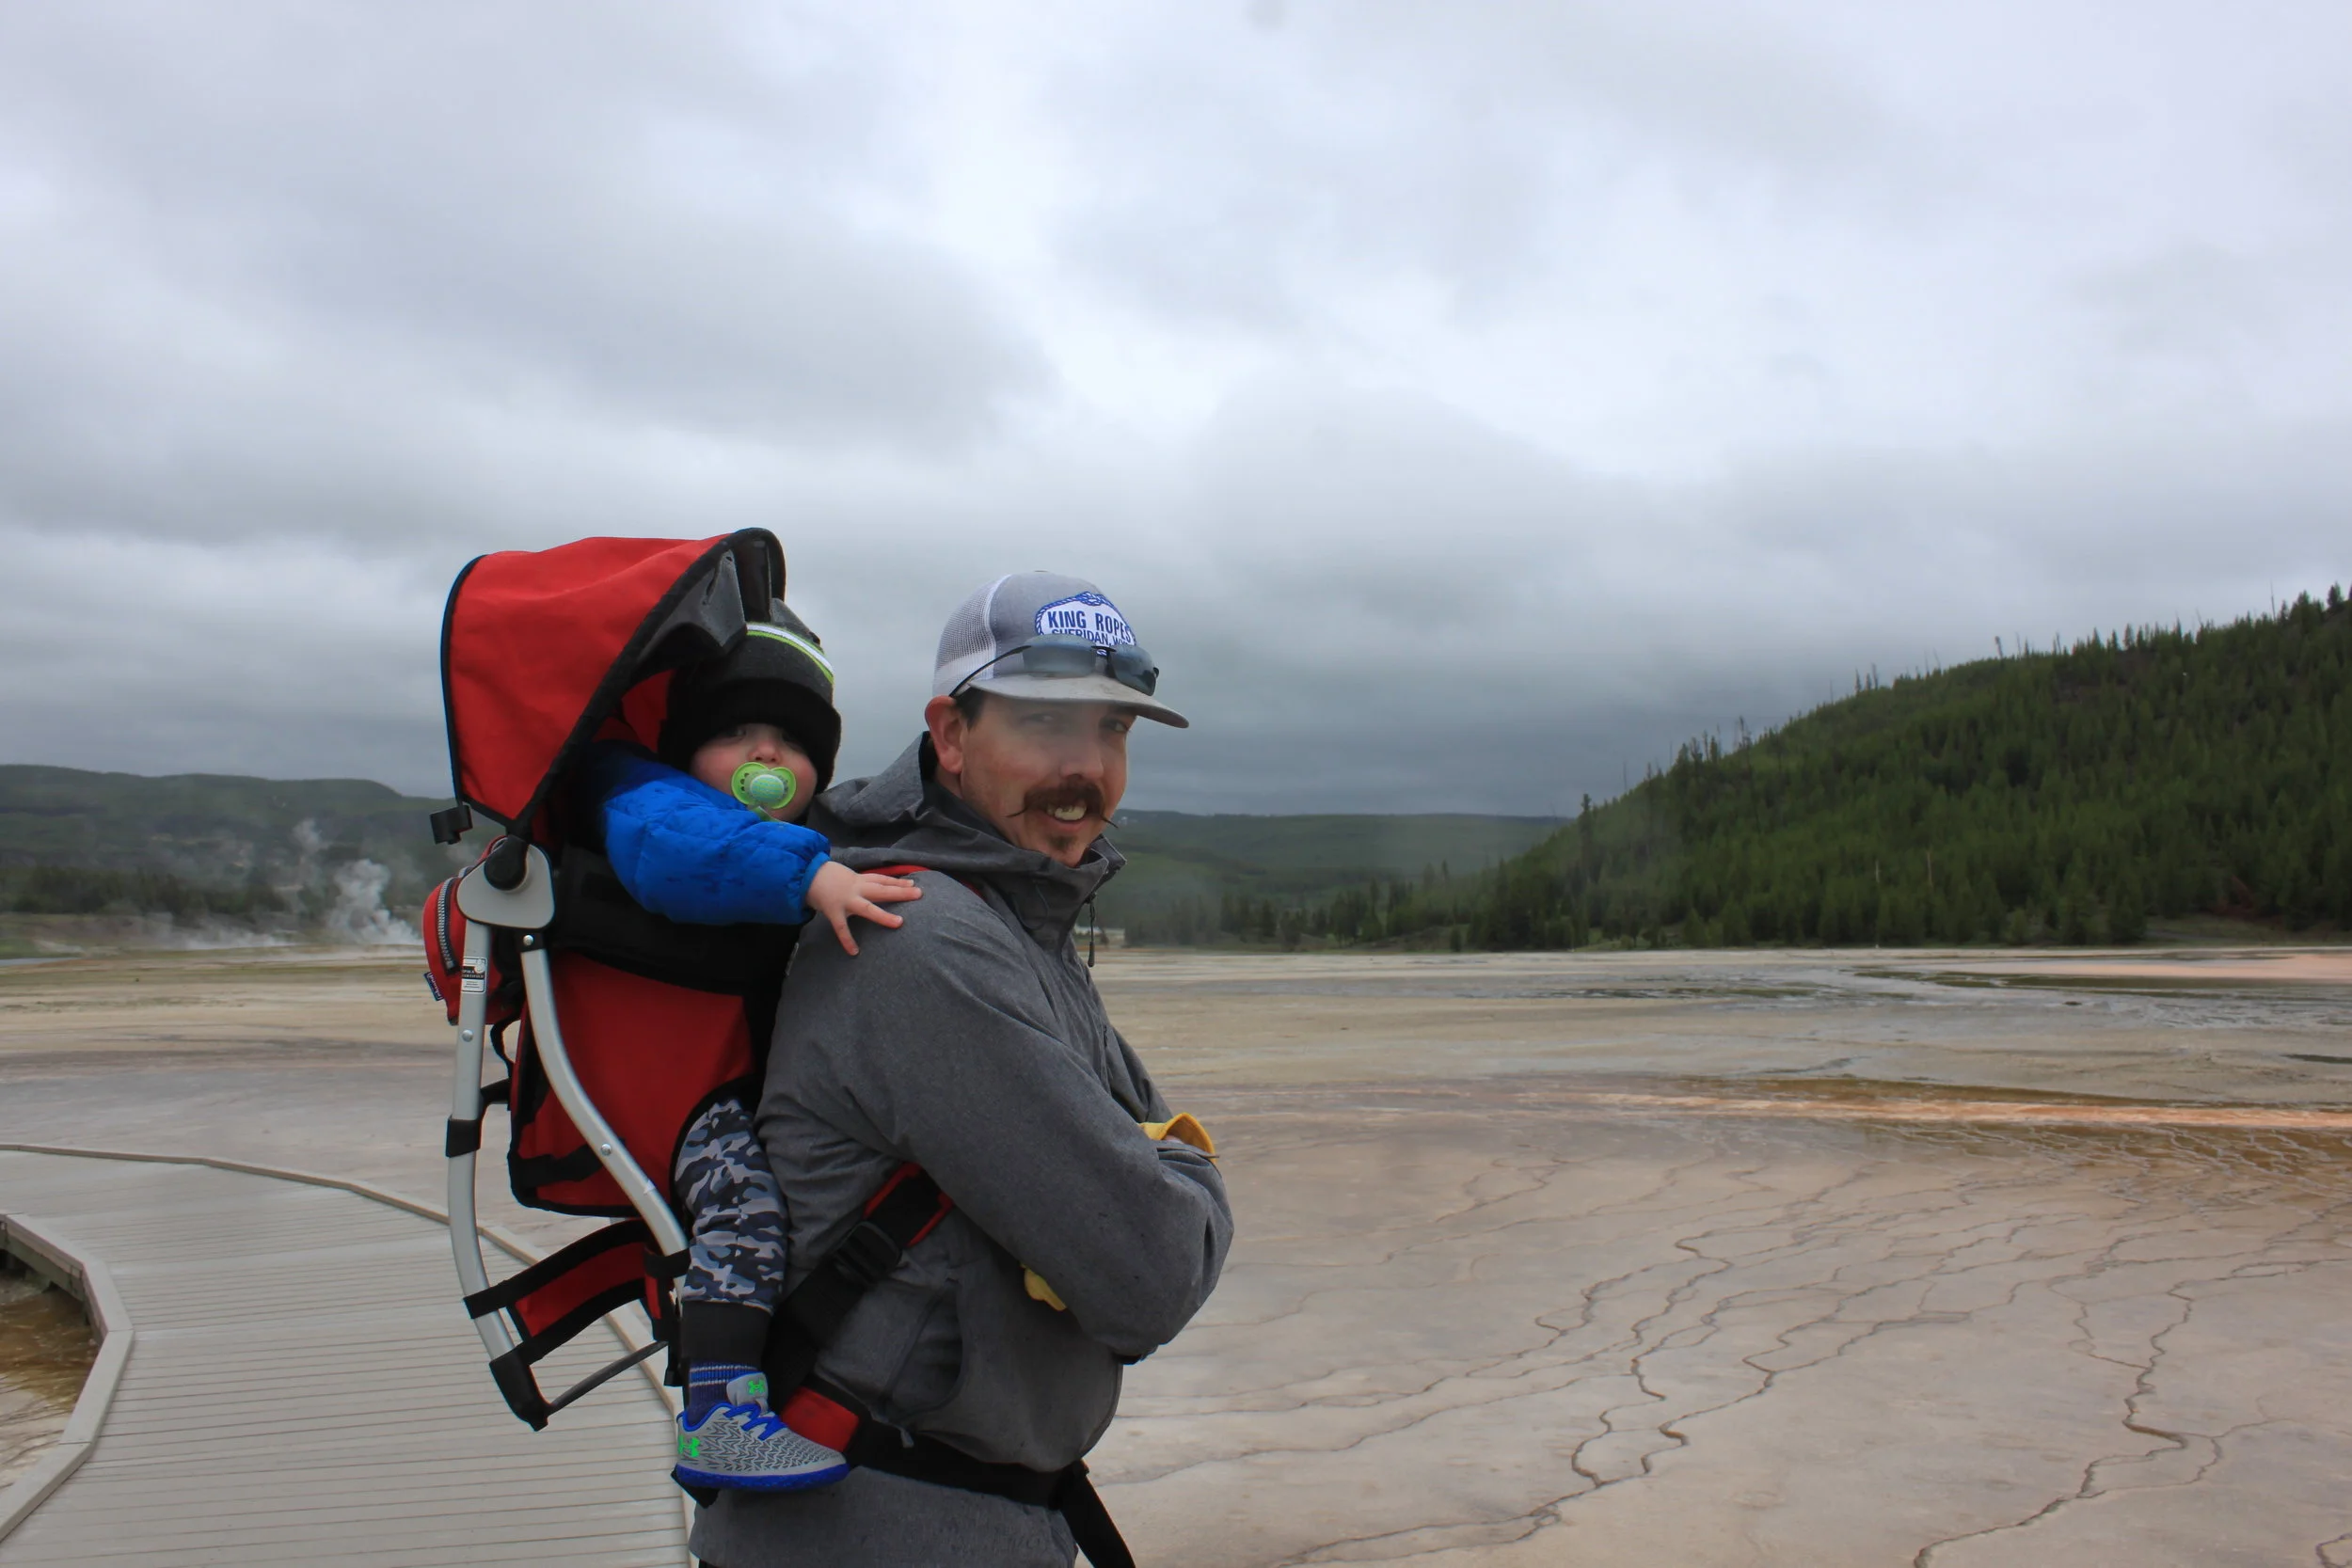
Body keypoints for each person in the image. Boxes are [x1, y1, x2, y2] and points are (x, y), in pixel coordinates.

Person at [692, 573, 1235, 1568]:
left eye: (1112, 727)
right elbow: (1150, 1270)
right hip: (883, 1525)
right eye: (1044, 722)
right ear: (949, 734)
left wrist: (1156, 1169)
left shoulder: (1012, 916)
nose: (1086, 767)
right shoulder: (921, 937)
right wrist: (1188, 1174)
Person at [569, 611, 921, 1493]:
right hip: (668, 1085)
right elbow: (679, 855)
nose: (763, 759)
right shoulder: (643, 797)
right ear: (685, 750)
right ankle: (718, 1417)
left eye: (789, 744)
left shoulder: (794, 834)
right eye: (732, 734)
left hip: (721, 1075)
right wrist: (811, 876)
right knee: (745, 1212)